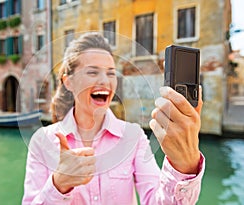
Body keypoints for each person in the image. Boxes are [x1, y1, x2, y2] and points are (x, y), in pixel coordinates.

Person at [22, 32, 205, 205]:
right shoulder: (42, 141)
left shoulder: (133, 136)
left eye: (111, 73)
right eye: (93, 72)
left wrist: (183, 167)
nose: (105, 81)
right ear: (68, 81)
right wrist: (59, 184)